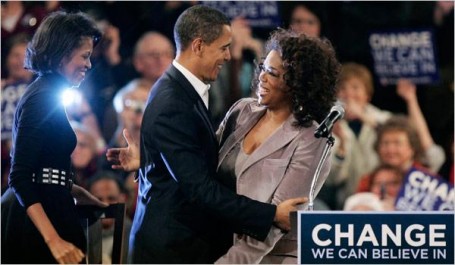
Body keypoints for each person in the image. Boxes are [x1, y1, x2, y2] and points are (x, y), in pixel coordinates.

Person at [106, 5, 306, 263]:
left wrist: (149, 160)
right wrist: (270, 215)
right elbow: (200, 189)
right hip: (170, 251)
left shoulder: (180, 88)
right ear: (199, 46)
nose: (227, 56)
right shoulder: (173, 102)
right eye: (223, 47)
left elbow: (186, 159)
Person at [214, 29, 340, 264]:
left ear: (297, 84)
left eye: (272, 73)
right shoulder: (242, 110)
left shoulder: (312, 139)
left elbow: (277, 223)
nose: (261, 77)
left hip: (273, 257)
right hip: (221, 244)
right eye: (263, 68)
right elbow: (203, 162)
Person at [1, 11, 107, 264]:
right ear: (62, 53)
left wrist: (73, 189)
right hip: (34, 227)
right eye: (85, 56)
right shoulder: (42, 97)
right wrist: (54, 240)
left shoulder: (48, 93)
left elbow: (43, 166)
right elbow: (20, 176)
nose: (89, 65)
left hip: (50, 210)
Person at [87, 171, 132, 264]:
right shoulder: (81, 235)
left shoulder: (135, 236)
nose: (105, 205)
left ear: (123, 199)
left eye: (111, 198)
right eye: (98, 199)